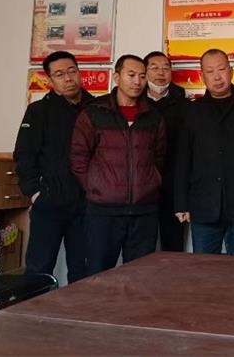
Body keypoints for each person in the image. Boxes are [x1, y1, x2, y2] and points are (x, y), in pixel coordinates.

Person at [70, 54, 166, 276]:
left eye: (142, 76)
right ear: (116, 77)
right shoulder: (94, 113)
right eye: (131, 75)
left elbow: (159, 157)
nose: (137, 81)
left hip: (144, 210)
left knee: (140, 275)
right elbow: (78, 158)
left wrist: (151, 183)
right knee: (98, 274)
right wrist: (97, 187)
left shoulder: (154, 117)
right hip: (103, 212)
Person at [174, 49, 234, 256]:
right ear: (202, 76)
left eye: (221, 69)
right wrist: (181, 202)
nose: (217, 77)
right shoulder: (191, 111)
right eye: (210, 71)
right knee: (205, 268)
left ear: (231, 71)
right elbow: (183, 159)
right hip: (203, 204)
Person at [13, 51, 94, 283]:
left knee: (83, 271)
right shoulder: (39, 111)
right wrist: (35, 193)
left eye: (71, 71)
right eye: (59, 74)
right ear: (50, 80)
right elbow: (24, 154)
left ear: (79, 73)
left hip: (87, 204)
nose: (68, 78)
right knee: (39, 269)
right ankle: (33, 308)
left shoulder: (96, 108)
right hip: (50, 203)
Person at [144, 51, 186, 252]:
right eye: (154, 68)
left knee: (173, 245)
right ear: (145, 72)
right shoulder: (135, 101)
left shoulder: (184, 105)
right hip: (142, 183)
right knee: (142, 244)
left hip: (174, 182)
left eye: (165, 68)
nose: (160, 72)